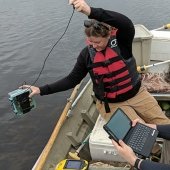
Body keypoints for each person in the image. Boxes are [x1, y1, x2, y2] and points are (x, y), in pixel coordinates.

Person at [21, 0, 170, 163]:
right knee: (136, 136)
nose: (94, 46)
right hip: (111, 104)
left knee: (165, 125)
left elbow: (124, 22)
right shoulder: (86, 55)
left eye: (98, 42)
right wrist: (41, 90)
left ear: (108, 35)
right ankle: (153, 155)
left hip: (137, 95)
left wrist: (89, 10)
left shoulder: (122, 42)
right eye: (90, 42)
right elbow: (71, 80)